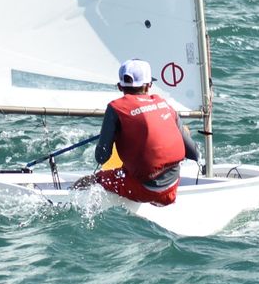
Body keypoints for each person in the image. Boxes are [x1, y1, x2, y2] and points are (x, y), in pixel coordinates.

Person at [79, 59, 199, 205]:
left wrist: (114, 134)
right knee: (183, 132)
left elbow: (102, 157)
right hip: (173, 185)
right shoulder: (164, 104)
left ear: (119, 86)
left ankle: (67, 198)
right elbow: (194, 154)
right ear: (149, 85)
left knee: (90, 181)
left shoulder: (115, 109)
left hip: (145, 190)